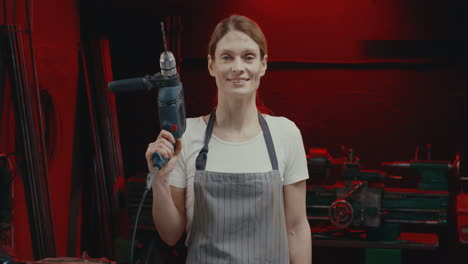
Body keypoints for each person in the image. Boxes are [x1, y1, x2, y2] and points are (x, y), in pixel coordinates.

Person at [146, 15, 312, 263]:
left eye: (248, 57)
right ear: (212, 65)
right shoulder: (186, 135)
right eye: (226, 57)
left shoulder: (285, 134)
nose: (237, 67)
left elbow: (297, 229)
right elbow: (170, 235)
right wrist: (159, 180)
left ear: (263, 65)